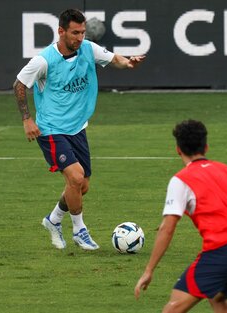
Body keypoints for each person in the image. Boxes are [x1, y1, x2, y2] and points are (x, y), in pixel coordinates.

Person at [13, 8, 145, 250]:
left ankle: (53, 220)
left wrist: (128, 62)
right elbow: (19, 84)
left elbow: (114, 59)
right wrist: (27, 119)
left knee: (82, 186)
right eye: (75, 33)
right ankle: (79, 230)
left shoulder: (88, 49)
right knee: (75, 177)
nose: (80, 38)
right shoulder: (44, 60)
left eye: (83, 32)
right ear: (61, 31)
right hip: (51, 129)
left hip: (77, 128)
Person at [134, 120, 227, 312]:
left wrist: (148, 270)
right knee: (217, 297)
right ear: (206, 147)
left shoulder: (181, 180)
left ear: (178, 149)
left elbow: (168, 227)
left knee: (173, 308)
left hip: (223, 252)